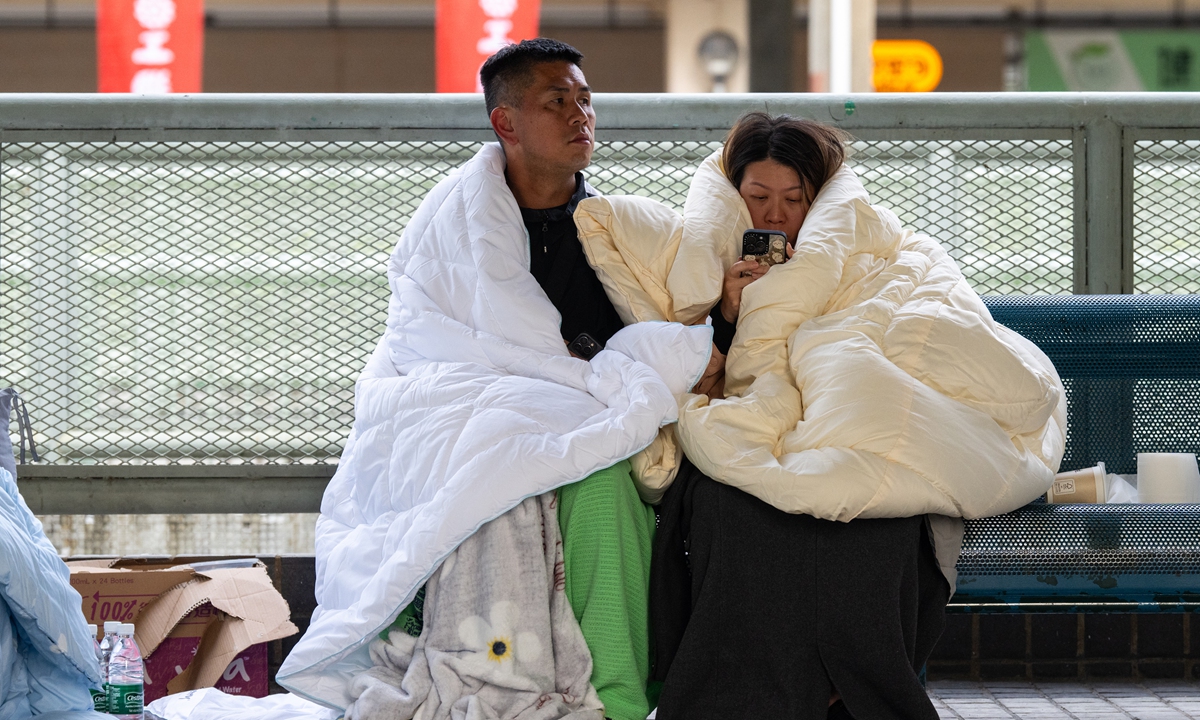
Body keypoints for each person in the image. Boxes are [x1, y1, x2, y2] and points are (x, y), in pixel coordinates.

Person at [650, 113, 958, 720]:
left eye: (795, 199)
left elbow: (917, 323)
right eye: (758, 197)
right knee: (727, 507)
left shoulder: (869, 244)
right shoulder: (702, 262)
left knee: (876, 510)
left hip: (848, 416)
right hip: (753, 423)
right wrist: (730, 314)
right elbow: (691, 380)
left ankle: (854, 691)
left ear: (820, 199)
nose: (775, 216)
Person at [479, 38, 659, 720]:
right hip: (488, 415)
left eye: (585, 99)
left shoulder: (618, 228)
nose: (581, 114)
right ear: (507, 124)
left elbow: (657, 332)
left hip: (592, 420)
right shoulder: (465, 225)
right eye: (558, 101)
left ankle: (616, 698)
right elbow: (433, 336)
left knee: (605, 485)